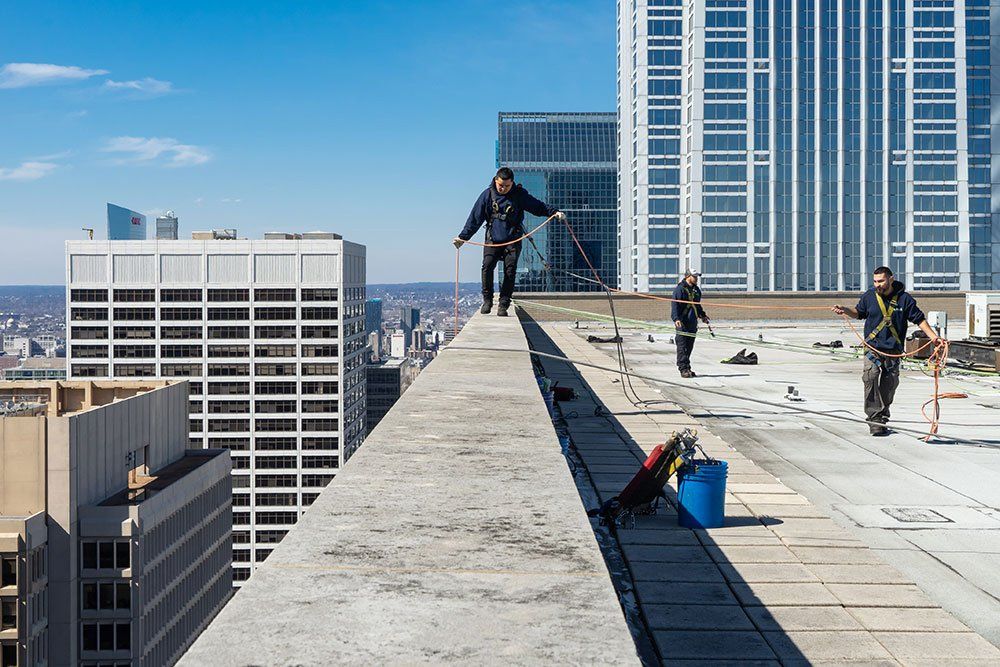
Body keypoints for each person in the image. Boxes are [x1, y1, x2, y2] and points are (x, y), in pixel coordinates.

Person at [832, 266, 941, 436]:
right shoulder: (869, 296)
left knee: (889, 384)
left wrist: (934, 338)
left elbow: (919, 320)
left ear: (891, 279)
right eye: (875, 281)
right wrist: (844, 309)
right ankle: (874, 418)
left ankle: (882, 415)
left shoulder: (904, 299)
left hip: (893, 350)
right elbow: (858, 312)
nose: (878, 285)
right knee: (871, 376)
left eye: (881, 281)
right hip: (872, 347)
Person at [453, 167, 565, 317]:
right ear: (495, 180)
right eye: (500, 185)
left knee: (510, 271)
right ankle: (487, 301)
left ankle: (503, 304)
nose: (503, 188)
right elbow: (475, 219)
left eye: (507, 185)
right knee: (487, 267)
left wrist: (554, 212)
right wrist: (463, 238)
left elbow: (537, 207)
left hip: (513, 239)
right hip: (493, 239)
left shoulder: (519, 195)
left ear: (512, 183)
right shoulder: (487, 195)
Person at [671, 269, 710, 378]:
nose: (697, 279)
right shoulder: (680, 289)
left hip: (692, 323)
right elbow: (675, 306)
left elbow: (697, 305)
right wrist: (676, 319)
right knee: (682, 346)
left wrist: (703, 315)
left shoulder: (696, 290)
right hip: (682, 323)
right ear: (688, 276)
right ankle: (683, 369)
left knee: (689, 347)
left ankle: (687, 367)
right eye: (695, 276)